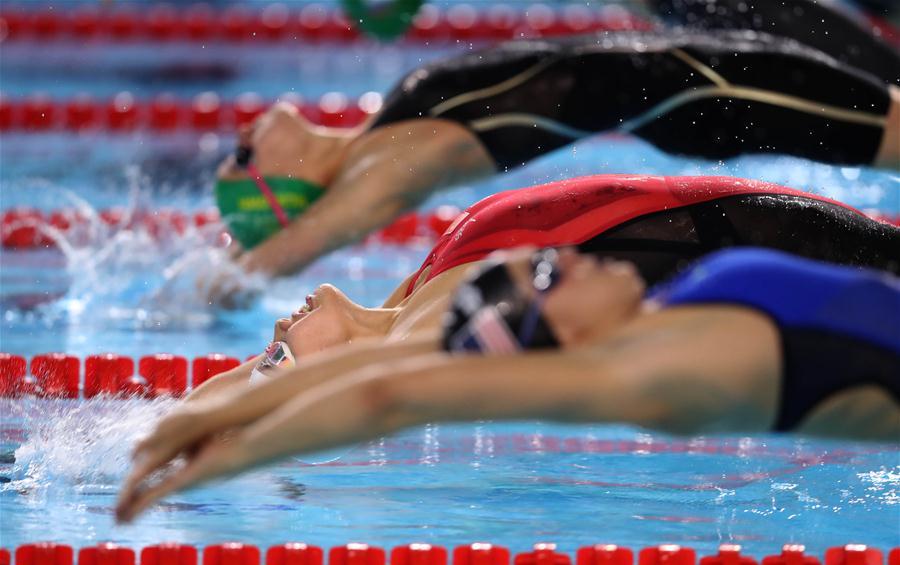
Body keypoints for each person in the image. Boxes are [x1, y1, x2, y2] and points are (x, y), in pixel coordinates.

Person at [116, 246, 900, 522]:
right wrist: (223, 452)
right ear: (552, 335)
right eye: (549, 274)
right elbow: (390, 396)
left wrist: (216, 410)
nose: (568, 254)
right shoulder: (645, 373)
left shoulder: (660, 316)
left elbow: (384, 368)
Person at [209, 0, 900, 302]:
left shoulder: (380, 133)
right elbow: (305, 244)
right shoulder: (384, 170)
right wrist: (215, 282)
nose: (242, 139)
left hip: (697, 78)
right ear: (285, 187)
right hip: (707, 93)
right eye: (243, 163)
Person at [185, 173, 899, 404]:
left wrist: (173, 421)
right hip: (752, 235)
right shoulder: (434, 326)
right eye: (280, 353)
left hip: (743, 217)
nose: (275, 332)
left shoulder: (410, 298)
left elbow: (232, 395)